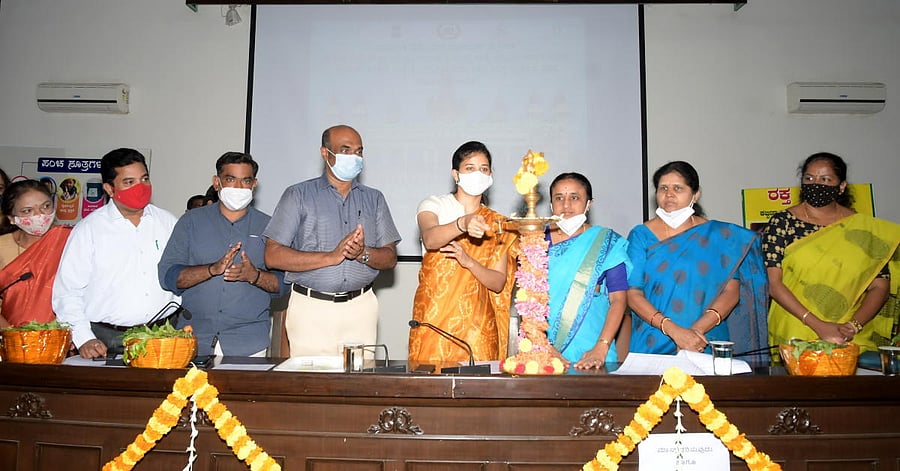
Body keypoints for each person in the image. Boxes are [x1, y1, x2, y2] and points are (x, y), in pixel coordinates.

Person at [264, 125, 400, 356]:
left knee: (359, 386)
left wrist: (362, 253)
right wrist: (330, 257)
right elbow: (272, 255)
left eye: (359, 151)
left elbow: (389, 258)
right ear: (325, 153)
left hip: (360, 307)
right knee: (310, 386)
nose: (354, 157)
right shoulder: (298, 195)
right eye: (345, 150)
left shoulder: (374, 199)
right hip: (311, 308)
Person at [627, 161, 768, 357]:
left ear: (695, 194)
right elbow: (633, 294)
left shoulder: (719, 235)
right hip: (654, 338)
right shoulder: (641, 235)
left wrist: (695, 332)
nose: (669, 194)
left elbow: (731, 292)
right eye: (663, 188)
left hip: (705, 339)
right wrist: (674, 331)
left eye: (678, 188)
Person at [763, 152, 900, 353]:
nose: (815, 184)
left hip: (851, 334)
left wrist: (852, 326)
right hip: (796, 329)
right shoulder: (783, 223)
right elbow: (774, 284)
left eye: (825, 179)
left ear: (841, 186)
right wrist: (819, 325)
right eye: (809, 178)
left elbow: (880, 286)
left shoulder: (863, 229)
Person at [53, 148, 179, 359]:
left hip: (164, 335)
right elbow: (67, 292)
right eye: (129, 182)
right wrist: (84, 338)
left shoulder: (168, 222)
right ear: (109, 189)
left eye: (144, 179)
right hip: (107, 340)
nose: (140, 187)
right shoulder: (89, 229)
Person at [159, 152, 285, 357]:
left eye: (245, 180)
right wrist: (211, 270)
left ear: (254, 184)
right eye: (230, 179)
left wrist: (255, 276)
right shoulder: (190, 222)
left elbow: (283, 285)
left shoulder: (270, 227)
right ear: (217, 183)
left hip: (248, 343)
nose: (238, 187)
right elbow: (168, 277)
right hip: (193, 340)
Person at [407, 141, 518, 364]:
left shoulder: (499, 224)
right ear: (456, 174)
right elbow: (431, 238)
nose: (478, 173)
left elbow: (498, 283)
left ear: (491, 175)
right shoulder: (434, 204)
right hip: (435, 320)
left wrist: (469, 262)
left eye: (484, 168)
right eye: (470, 168)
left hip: (478, 329)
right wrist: (462, 224)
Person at [544, 172, 630, 369]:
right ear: (551, 205)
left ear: (588, 204)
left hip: (593, 349)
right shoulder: (535, 242)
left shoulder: (607, 242)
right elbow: (527, 302)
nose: (566, 205)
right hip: (543, 351)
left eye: (574, 197)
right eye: (559, 198)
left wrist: (601, 347)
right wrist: (542, 346)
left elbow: (618, 300)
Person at [0, 180, 72, 328]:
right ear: (12, 219)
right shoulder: (2, 246)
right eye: (27, 211)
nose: (40, 215)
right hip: (9, 338)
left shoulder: (71, 241)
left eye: (46, 206)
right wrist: (13, 335)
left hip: (61, 336)